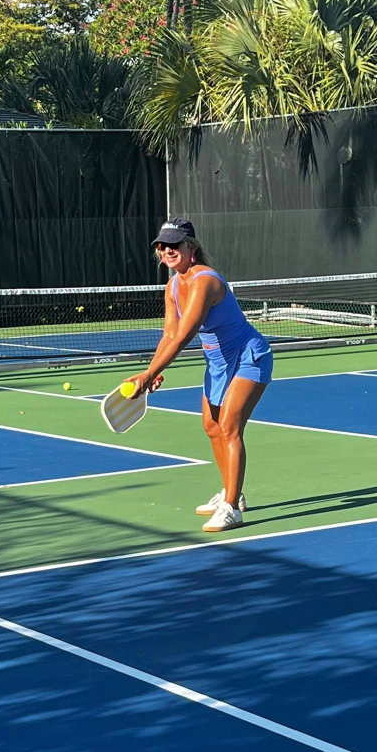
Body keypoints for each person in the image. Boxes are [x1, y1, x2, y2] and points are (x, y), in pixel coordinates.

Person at [125, 218, 273, 532]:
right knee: (211, 426)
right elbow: (168, 335)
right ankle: (232, 492)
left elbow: (183, 336)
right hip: (217, 364)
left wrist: (150, 373)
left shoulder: (205, 281)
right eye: (162, 246)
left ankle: (232, 508)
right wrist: (152, 372)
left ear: (191, 246)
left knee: (230, 426)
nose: (167, 250)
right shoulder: (172, 286)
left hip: (249, 355)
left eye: (174, 244)